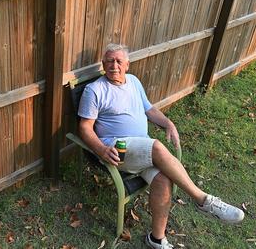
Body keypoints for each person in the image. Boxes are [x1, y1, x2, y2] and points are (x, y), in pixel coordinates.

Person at [77, 43, 244, 249]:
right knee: (156, 146)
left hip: (142, 149)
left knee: (163, 179)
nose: (114, 65)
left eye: (119, 61)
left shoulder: (134, 82)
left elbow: (149, 109)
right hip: (116, 149)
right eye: (109, 61)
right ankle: (203, 200)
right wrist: (101, 150)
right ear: (103, 64)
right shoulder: (94, 90)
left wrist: (168, 123)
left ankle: (156, 239)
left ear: (127, 65)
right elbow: (85, 128)